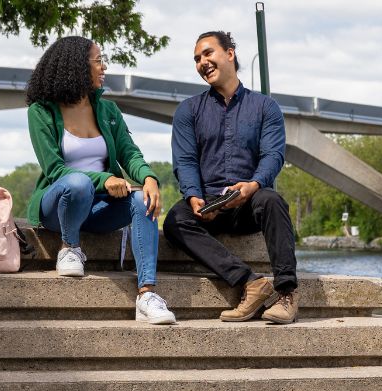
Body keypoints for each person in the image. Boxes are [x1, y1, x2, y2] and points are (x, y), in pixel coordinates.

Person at [25, 36, 175, 324]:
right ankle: (70, 249)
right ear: (77, 67)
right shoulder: (41, 112)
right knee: (78, 183)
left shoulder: (108, 111)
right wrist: (104, 178)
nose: (103, 67)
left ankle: (147, 295)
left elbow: (130, 154)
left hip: (98, 210)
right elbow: (55, 169)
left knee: (141, 199)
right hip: (59, 206)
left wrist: (149, 179)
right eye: (98, 61)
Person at [163, 30, 299, 324]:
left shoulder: (266, 107)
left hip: (249, 200)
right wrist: (193, 195)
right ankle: (251, 282)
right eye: (197, 58)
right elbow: (185, 160)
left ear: (230, 54)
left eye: (208, 53)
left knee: (273, 201)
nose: (202, 62)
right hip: (209, 202)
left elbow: (273, 156)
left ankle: (286, 294)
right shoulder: (188, 110)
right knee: (175, 220)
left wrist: (252, 185)